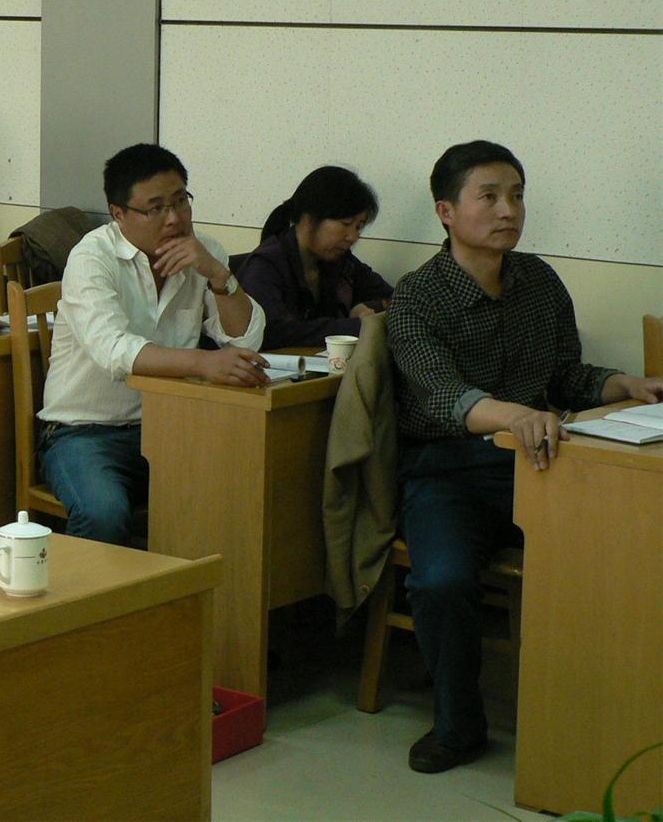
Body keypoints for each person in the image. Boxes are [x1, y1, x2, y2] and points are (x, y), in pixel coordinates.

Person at [386, 139, 662, 774]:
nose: (508, 210)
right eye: (489, 196)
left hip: (539, 463)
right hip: (447, 471)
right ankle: (458, 727)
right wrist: (516, 414)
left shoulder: (538, 280)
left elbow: (565, 376)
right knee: (443, 580)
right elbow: (443, 396)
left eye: (516, 195)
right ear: (446, 212)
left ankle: (598, 718)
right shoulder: (417, 296)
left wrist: (624, 383)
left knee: (621, 552)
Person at [37, 143, 268, 545]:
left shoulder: (203, 251)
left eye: (181, 201)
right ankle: (92, 589)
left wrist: (220, 275)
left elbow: (246, 338)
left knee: (236, 490)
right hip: (84, 433)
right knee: (103, 513)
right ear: (119, 214)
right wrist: (202, 363)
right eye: (156, 208)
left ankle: (195, 585)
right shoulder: (92, 258)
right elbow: (114, 350)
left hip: (170, 425)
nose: (174, 218)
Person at [237, 165, 393, 349]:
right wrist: (358, 326)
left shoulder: (342, 262)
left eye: (358, 226)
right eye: (346, 223)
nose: (353, 236)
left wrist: (370, 305)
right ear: (308, 219)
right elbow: (271, 333)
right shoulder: (265, 266)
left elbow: (400, 299)